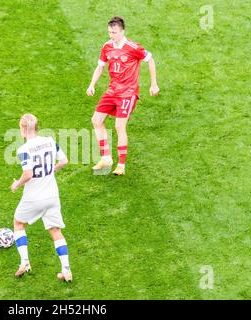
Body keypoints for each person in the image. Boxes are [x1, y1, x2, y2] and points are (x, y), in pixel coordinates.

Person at [87, 16, 160, 176]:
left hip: (128, 93)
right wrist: (91, 84)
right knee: (96, 120)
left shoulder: (133, 47)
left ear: (122, 31)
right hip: (112, 91)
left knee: (119, 126)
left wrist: (153, 84)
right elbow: (99, 67)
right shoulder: (106, 47)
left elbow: (151, 60)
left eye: (114, 32)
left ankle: (121, 165)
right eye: (109, 32)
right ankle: (106, 158)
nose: (111, 35)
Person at [10, 114, 72, 282]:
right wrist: (52, 170)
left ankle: (25, 262)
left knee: (18, 223)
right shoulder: (50, 141)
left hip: (33, 197)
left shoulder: (23, 150)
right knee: (55, 230)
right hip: (52, 195)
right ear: (37, 127)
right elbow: (64, 160)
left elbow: (28, 174)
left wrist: (17, 185)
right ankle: (66, 270)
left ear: (23, 130)